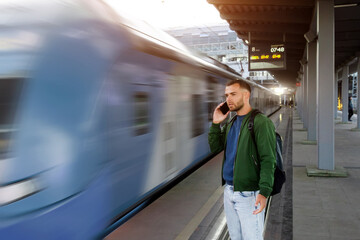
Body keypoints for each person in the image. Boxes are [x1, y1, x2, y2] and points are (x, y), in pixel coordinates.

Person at [208, 80, 276, 240]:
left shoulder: (260, 122)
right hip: (229, 191)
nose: (228, 99)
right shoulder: (231, 123)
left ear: (246, 95)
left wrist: (264, 192)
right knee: (235, 237)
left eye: (233, 94)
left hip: (250, 193)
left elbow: (268, 159)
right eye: (226, 95)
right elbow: (215, 147)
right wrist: (216, 123)